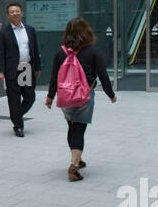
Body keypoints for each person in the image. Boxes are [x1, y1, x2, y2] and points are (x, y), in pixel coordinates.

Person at [44, 18, 116, 182]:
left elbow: (54, 77)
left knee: (71, 126)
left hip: (65, 97)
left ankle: (77, 157)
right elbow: (103, 76)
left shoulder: (60, 52)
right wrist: (111, 95)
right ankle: (74, 167)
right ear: (86, 32)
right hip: (84, 97)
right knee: (79, 130)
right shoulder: (93, 52)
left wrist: (50, 97)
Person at [0, 2, 40, 137]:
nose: (15, 13)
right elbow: (0, 53)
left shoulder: (30, 30)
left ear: (22, 13)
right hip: (12, 70)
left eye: (17, 11)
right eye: (12, 12)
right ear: (8, 15)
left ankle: (17, 115)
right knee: (14, 99)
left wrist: (37, 67)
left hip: (26, 67)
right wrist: (0, 71)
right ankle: (18, 126)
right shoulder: (4, 32)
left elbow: (35, 49)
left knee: (30, 97)